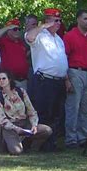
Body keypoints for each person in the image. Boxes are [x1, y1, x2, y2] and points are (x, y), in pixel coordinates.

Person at [25, 8, 70, 151]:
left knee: (57, 114)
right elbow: (29, 37)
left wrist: (67, 79)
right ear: (47, 20)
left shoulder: (59, 39)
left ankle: (52, 143)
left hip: (59, 80)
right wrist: (43, 26)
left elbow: (62, 60)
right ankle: (39, 143)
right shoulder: (40, 35)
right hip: (45, 81)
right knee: (44, 113)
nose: (58, 23)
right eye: (55, 20)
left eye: (59, 20)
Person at [0, 70, 52, 154]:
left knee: (47, 130)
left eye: (4, 78)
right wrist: (16, 129)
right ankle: (11, 143)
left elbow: (31, 111)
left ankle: (31, 146)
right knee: (17, 151)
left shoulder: (21, 92)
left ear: (9, 79)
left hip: (25, 123)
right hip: (11, 127)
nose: (1, 81)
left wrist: (34, 125)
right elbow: (2, 119)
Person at [63, 9, 87, 148]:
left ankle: (82, 137)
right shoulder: (70, 36)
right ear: (78, 19)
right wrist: (66, 79)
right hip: (75, 71)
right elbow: (63, 58)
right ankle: (71, 139)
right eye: (85, 18)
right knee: (73, 107)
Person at [0, 18, 29, 88]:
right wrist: (8, 27)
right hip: (9, 81)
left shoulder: (21, 42)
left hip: (23, 81)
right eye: (14, 29)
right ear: (8, 31)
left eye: (18, 29)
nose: (17, 31)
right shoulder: (3, 41)